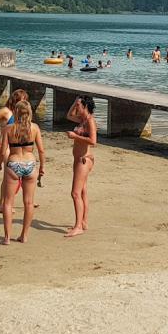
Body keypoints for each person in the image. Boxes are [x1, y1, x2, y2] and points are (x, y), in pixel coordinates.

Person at [0, 99, 45, 244]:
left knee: (8, 202)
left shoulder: (8, 128)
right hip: (30, 164)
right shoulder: (35, 128)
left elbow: (2, 150)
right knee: (29, 202)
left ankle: (7, 237)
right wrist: (42, 167)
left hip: (14, 163)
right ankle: (24, 235)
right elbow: (41, 151)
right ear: (30, 112)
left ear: (16, 112)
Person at [65, 96, 97, 238]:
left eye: (79, 105)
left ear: (85, 107)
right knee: (83, 191)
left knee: (75, 193)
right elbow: (69, 115)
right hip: (77, 158)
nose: (76, 108)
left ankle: (78, 227)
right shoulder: (81, 119)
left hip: (84, 160)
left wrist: (75, 136)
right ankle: (83, 221)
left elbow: (93, 141)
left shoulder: (90, 121)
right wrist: (75, 101)